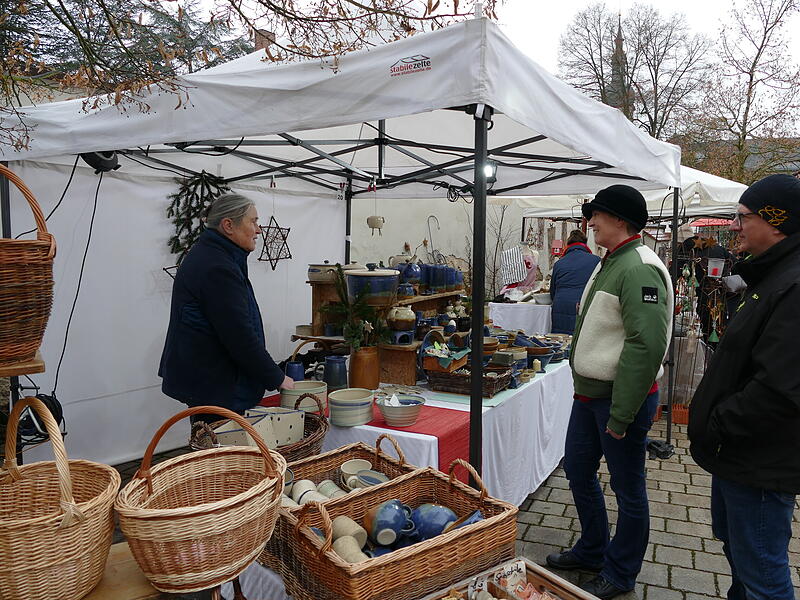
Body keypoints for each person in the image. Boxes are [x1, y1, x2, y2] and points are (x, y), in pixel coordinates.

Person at [546, 185, 672, 599]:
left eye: (596, 214)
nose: (590, 222)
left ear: (619, 219)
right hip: (590, 397)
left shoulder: (638, 267)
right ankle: (593, 550)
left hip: (618, 399)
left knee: (628, 487)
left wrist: (622, 414)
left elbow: (645, 344)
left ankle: (620, 573)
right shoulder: (612, 260)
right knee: (579, 471)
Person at [688, 174, 800, 600]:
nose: (736, 226)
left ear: (776, 222)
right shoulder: (773, 276)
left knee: (763, 575)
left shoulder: (792, 283)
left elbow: (779, 386)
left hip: (758, 457)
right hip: (741, 453)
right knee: (744, 557)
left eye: (743, 217)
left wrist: (718, 423)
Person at [159, 192, 294, 425]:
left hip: (212, 383)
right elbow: (238, 335)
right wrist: (277, 378)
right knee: (221, 456)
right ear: (228, 225)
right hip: (217, 385)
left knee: (215, 451)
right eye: (253, 221)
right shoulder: (216, 266)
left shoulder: (217, 257)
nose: (259, 229)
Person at [550, 229, 600, 334]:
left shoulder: (559, 263)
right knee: (582, 338)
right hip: (584, 303)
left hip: (561, 304)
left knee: (560, 339)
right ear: (585, 243)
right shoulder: (596, 261)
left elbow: (552, 291)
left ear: (568, 244)